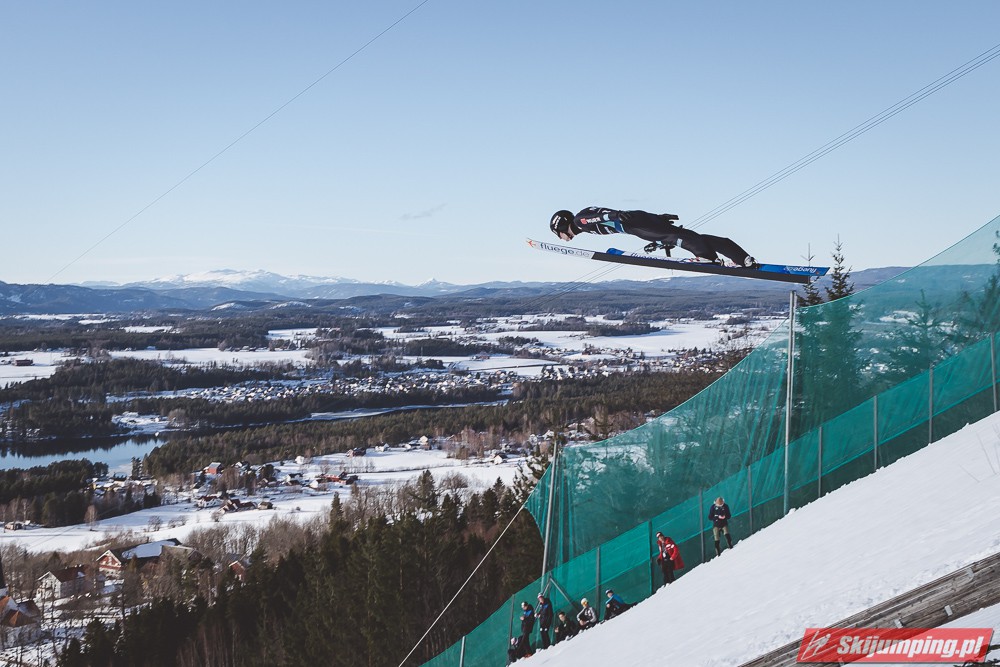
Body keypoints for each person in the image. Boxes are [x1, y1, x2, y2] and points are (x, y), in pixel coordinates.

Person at [549, 207, 757, 268]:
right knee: (686, 236)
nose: (562, 238)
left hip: (631, 224)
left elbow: (595, 218)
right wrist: (657, 218)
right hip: (638, 219)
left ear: (562, 227)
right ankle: (742, 258)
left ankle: (707, 257)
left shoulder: (579, 221)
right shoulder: (582, 215)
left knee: (674, 236)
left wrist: (615, 215)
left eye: (558, 234)